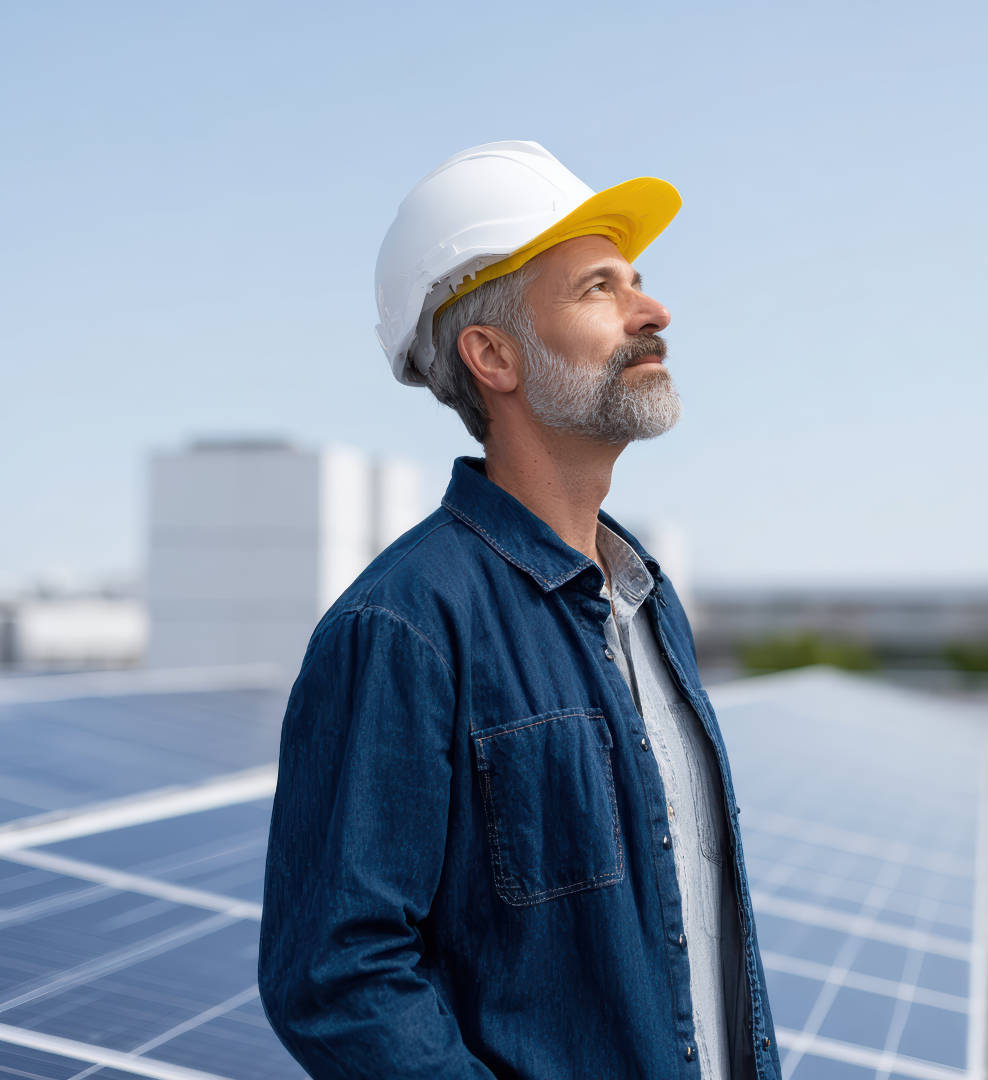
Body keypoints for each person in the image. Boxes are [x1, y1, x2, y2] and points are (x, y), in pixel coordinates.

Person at [258, 141, 781, 1080]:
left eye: (640, 282)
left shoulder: (648, 606)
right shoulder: (404, 627)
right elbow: (338, 976)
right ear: (493, 355)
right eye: (599, 289)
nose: (653, 312)